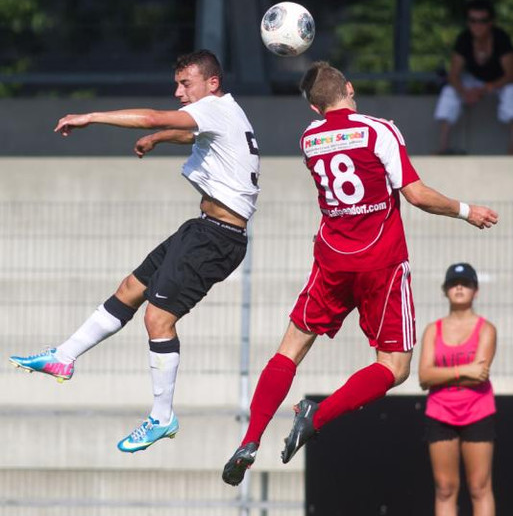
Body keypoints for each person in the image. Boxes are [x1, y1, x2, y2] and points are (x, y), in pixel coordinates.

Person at [222, 60, 498, 487]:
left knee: (289, 349)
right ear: (349, 88)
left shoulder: (309, 139)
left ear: (314, 108)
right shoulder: (379, 131)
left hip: (332, 261)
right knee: (394, 366)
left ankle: (250, 438)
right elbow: (416, 194)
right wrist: (467, 210)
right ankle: (317, 416)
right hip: (381, 264)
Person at [10, 49, 260, 453]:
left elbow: (153, 117)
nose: (178, 92)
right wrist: (160, 138)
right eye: (177, 84)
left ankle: (162, 417)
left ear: (212, 83)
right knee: (130, 288)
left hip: (217, 238)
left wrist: (90, 117)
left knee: (157, 318)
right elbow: (186, 133)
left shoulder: (214, 108)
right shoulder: (223, 112)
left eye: (186, 84)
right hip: (202, 229)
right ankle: (64, 356)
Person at [418, 263, 497, 516]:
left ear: (476, 290)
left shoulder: (486, 329)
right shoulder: (433, 330)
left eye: (465, 283)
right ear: (445, 291)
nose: (459, 288)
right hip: (440, 412)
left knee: (479, 486)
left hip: (478, 411)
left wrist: (443, 374)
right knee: (445, 488)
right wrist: (464, 370)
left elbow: (481, 375)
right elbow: (424, 376)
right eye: (454, 283)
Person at [434, 0, 513, 154]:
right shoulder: (464, 39)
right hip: (474, 81)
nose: (477, 25)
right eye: (472, 20)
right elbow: (454, 75)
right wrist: (464, 92)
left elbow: (510, 74)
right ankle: (442, 148)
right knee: (449, 92)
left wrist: (486, 89)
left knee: (511, 93)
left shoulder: (501, 38)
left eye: (483, 21)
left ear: (491, 22)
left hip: (499, 82)